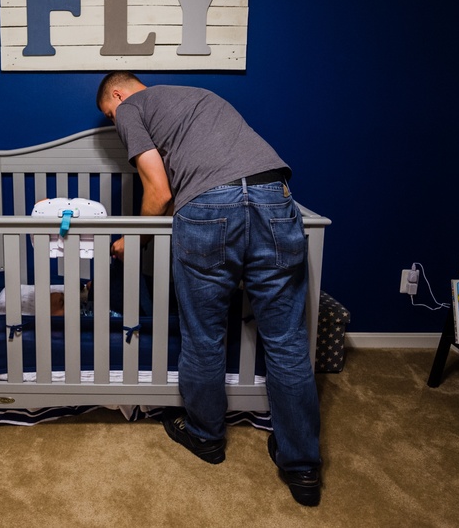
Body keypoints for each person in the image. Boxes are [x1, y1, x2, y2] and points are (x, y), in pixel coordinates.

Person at [96, 71, 322, 507]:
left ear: (118, 95)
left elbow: (159, 191)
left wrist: (133, 237)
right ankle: (303, 468)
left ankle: (205, 438)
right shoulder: (198, 95)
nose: (115, 120)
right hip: (274, 197)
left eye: (110, 115)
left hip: (208, 208)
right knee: (288, 342)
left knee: (204, 336)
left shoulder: (128, 107)